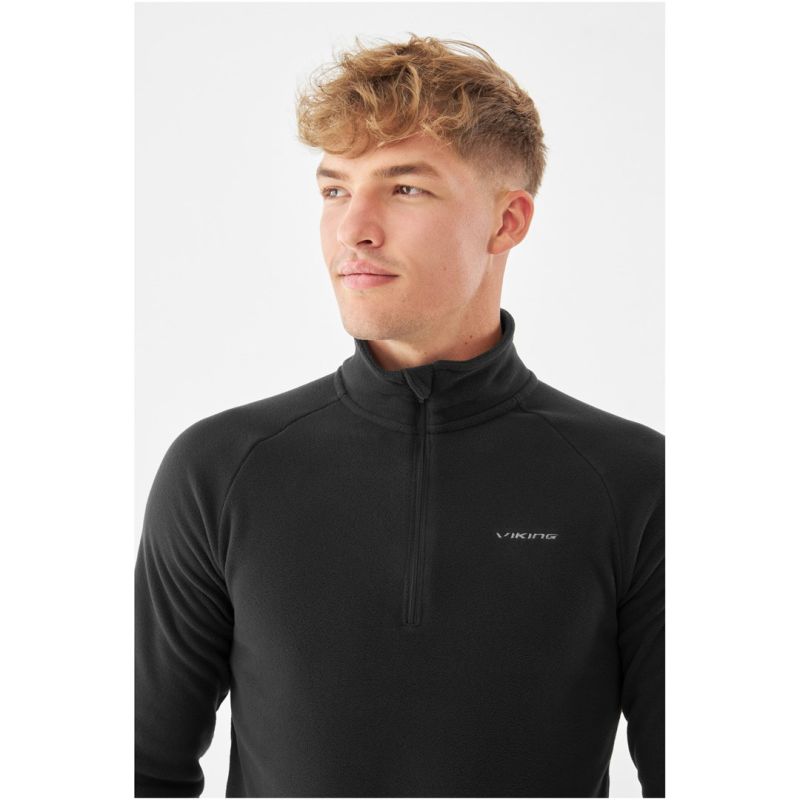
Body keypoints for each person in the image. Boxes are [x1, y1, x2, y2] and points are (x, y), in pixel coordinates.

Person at [135, 33, 664, 798]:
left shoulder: (633, 482)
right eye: (334, 190)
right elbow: (140, 770)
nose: (354, 228)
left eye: (405, 188)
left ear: (508, 222)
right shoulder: (220, 471)